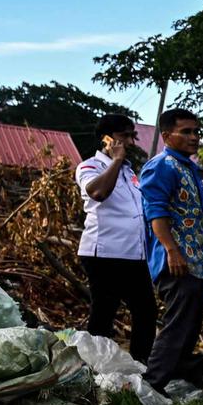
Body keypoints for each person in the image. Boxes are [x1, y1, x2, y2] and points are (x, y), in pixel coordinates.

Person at [139, 108, 203, 395]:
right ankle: (152, 385)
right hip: (176, 261)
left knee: (190, 324)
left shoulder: (188, 167)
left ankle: (186, 372)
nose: (194, 137)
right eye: (186, 132)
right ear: (167, 135)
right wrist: (172, 250)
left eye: (196, 131)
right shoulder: (163, 166)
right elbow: (155, 213)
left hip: (194, 262)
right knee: (178, 324)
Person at [75, 113, 157, 364]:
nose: (130, 142)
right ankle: (93, 367)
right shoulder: (90, 166)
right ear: (107, 139)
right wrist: (116, 159)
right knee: (104, 312)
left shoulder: (129, 173)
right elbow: (98, 192)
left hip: (133, 254)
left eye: (132, 136)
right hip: (103, 253)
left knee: (146, 311)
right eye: (124, 137)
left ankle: (140, 367)